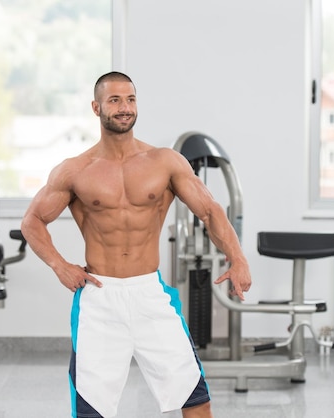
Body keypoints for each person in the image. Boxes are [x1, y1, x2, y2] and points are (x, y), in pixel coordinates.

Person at [21, 71, 252, 418]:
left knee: (194, 397)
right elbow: (32, 221)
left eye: (130, 99)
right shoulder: (75, 170)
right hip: (100, 297)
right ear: (96, 107)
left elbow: (210, 209)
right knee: (91, 408)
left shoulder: (164, 162)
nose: (124, 108)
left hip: (149, 293)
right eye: (114, 100)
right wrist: (59, 265)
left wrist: (237, 258)